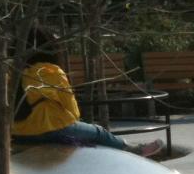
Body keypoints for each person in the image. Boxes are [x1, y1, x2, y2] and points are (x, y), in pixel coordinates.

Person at [13, 26, 163, 157]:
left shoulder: (14, 73)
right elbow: (72, 108)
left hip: (20, 133)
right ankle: (134, 150)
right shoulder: (50, 71)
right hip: (51, 129)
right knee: (99, 132)